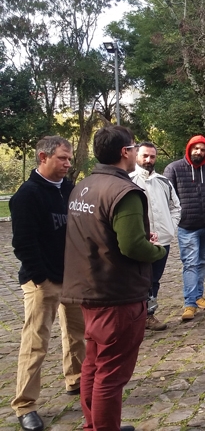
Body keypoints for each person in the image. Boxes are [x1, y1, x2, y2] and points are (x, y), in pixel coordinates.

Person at [62, 125, 166, 431]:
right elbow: (132, 245)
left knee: (93, 365)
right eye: (134, 148)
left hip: (88, 288)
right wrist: (157, 250)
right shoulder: (124, 191)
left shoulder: (84, 185)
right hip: (116, 294)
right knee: (111, 374)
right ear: (125, 152)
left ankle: (94, 424)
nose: (136, 153)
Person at [10, 136, 85, 431]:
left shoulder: (69, 189)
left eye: (69, 159)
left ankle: (77, 381)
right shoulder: (27, 195)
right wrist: (40, 277)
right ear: (43, 157)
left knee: (78, 335)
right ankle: (25, 405)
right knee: (35, 344)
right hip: (42, 282)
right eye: (62, 159)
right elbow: (23, 244)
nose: (68, 164)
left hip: (73, 279)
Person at [164, 135, 205, 321]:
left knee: (202, 262)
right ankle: (190, 303)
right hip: (188, 227)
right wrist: (178, 217)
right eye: (195, 148)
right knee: (190, 264)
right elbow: (167, 196)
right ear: (189, 148)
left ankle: (198, 296)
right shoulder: (174, 169)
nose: (198, 152)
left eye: (202, 149)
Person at [130, 142, 182, 331]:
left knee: (154, 280)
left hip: (162, 241)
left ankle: (149, 315)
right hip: (138, 242)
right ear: (136, 156)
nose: (148, 160)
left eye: (152, 156)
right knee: (137, 280)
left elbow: (175, 207)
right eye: (144, 156)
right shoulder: (129, 180)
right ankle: (135, 318)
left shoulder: (163, 181)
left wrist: (170, 228)